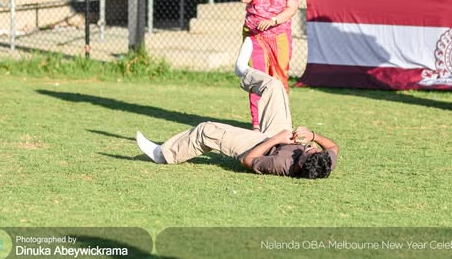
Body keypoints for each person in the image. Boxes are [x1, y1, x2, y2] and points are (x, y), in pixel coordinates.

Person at [136, 39, 338, 179]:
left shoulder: (280, 164)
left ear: (302, 163)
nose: (312, 147)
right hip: (281, 134)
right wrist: (312, 135)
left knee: (207, 130)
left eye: (310, 151)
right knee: (275, 86)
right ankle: (243, 72)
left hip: (264, 144)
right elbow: (333, 148)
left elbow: (249, 161)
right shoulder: (324, 161)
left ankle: (163, 154)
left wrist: (277, 139)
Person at [239, 0, 301, 131]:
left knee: (280, 78)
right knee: (256, 77)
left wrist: (273, 20)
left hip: (279, 34)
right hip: (253, 33)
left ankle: (280, 122)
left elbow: (291, 9)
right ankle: (257, 123)